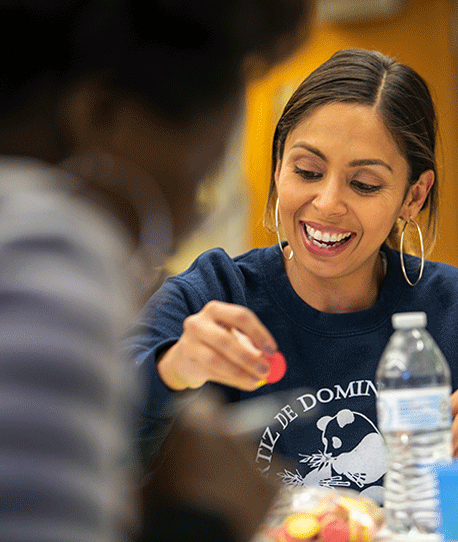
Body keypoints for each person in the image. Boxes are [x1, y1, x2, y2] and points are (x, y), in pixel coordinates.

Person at [126, 48, 458, 504]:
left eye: (364, 184)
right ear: (278, 163)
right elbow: (85, 430)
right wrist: (173, 368)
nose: (326, 204)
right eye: (306, 171)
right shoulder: (217, 291)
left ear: (412, 196)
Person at [0, 1, 310, 541]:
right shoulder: (48, 246)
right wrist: (190, 519)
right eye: (197, 180)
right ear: (100, 115)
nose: (192, 217)